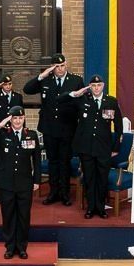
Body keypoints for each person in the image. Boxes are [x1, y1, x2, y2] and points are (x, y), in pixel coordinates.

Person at [23, 54, 84, 206]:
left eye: (62, 65)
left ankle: (64, 193)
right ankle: (53, 192)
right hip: (49, 128)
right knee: (53, 161)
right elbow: (27, 89)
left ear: (66, 65)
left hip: (67, 127)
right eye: (57, 66)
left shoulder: (75, 81)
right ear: (52, 67)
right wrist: (41, 75)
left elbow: (81, 104)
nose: (60, 69)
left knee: (65, 161)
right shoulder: (46, 80)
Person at [0, 106, 42, 259]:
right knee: (8, 215)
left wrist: (36, 180)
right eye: (15, 118)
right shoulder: (2, 134)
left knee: (23, 216)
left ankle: (21, 247)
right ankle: (9, 247)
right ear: (10, 119)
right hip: (6, 182)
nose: (18, 121)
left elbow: (37, 160)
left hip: (24, 182)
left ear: (24, 118)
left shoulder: (31, 135)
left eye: (20, 118)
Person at [69, 74, 122, 219]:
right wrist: (75, 94)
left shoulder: (111, 101)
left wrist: (115, 147)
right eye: (93, 85)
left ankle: (101, 208)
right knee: (89, 178)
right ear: (89, 87)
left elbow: (118, 126)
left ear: (103, 86)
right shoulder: (83, 100)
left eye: (99, 85)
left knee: (102, 178)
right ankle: (91, 208)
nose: (96, 88)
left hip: (104, 147)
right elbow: (61, 100)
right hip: (86, 147)